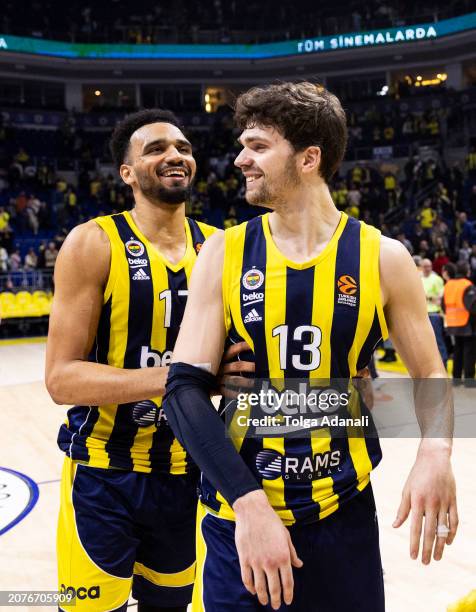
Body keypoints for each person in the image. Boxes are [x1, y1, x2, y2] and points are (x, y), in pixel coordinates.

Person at [163, 83, 458, 611]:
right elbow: (182, 391)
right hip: (241, 519)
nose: (239, 159)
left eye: (256, 145)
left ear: (308, 158)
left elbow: (431, 374)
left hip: (342, 514)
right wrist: (248, 503)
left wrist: (435, 450)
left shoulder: (383, 257)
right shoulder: (223, 253)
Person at [45, 109, 252, 612]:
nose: (174, 155)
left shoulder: (222, 248)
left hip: (190, 475)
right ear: (127, 173)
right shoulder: (93, 243)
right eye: (155, 149)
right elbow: (61, 380)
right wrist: (181, 380)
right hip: (103, 473)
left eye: (182, 147)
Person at [443, 262, 476, 386]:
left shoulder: (448, 284)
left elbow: (443, 304)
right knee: (469, 352)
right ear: (467, 271)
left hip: (453, 323)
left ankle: (456, 379)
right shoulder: (467, 285)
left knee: (458, 351)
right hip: (467, 323)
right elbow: (472, 306)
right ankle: (469, 380)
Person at [420, 258, 447, 368]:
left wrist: (428, 297)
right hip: (422, 314)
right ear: (421, 267)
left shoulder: (437, 279)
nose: (427, 268)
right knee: (424, 343)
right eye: (425, 266)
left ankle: (443, 365)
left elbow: (440, 298)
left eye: (429, 266)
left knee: (438, 341)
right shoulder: (418, 279)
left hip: (434, 314)